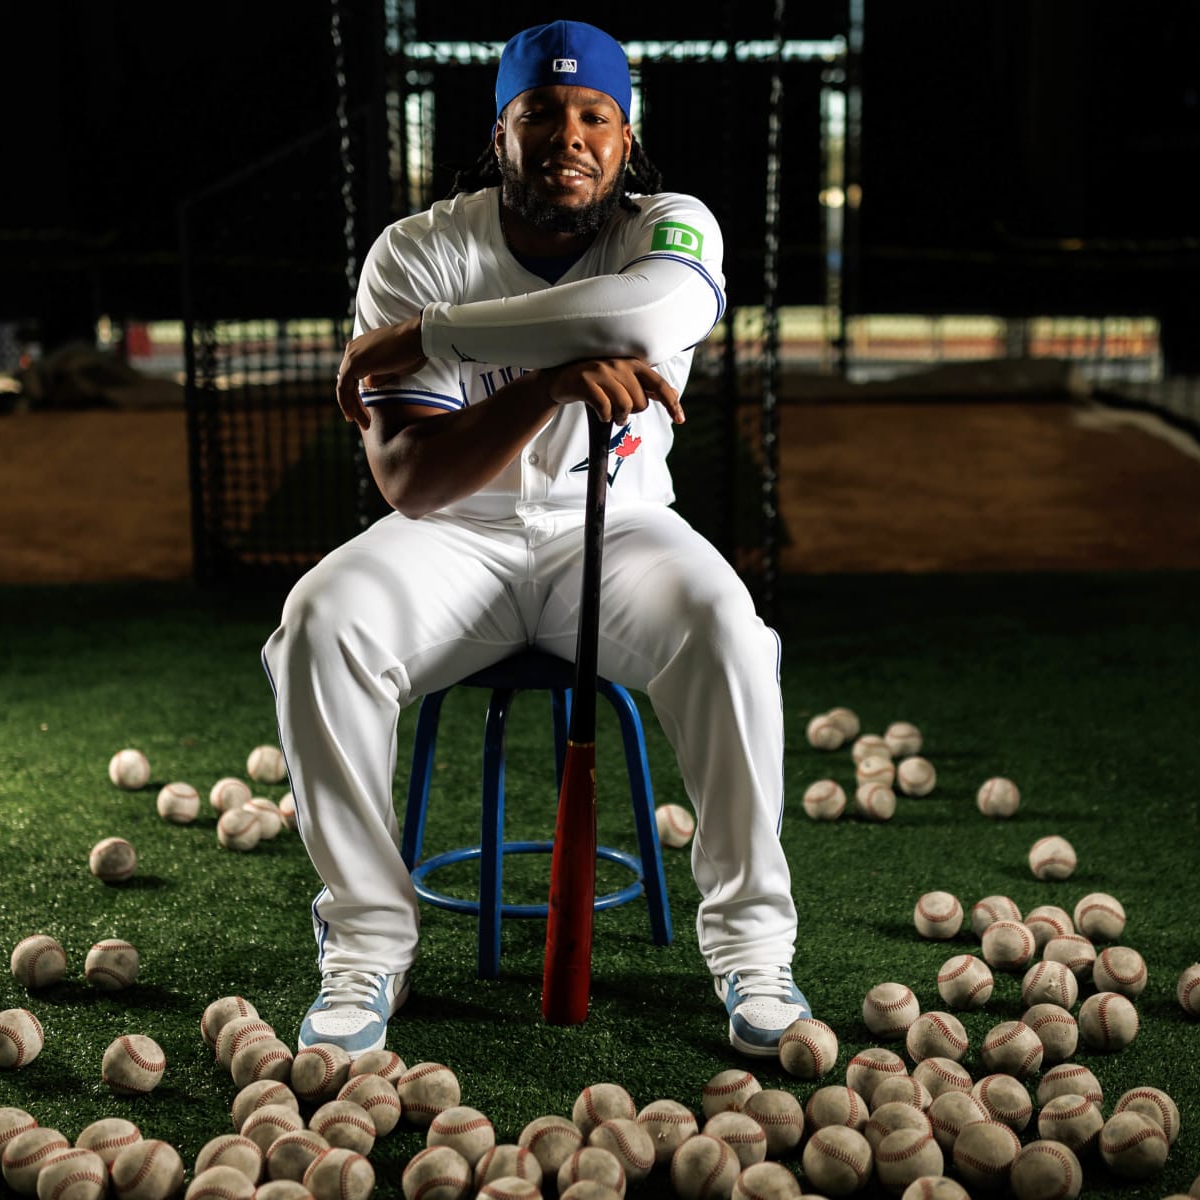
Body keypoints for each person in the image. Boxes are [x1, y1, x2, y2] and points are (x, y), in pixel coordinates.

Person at [263, 19, 809, 1058]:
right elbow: (411, 478)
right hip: (453, 539)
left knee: (731, 629)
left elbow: (646, 321)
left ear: (626, 133)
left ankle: (753, 952)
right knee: (318, 620)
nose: (571, 136)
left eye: (595, 117)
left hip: (620, 529)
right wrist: (553, 383)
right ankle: (369, 947)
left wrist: (434, 338)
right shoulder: (418, 252)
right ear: (499, 132)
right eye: (542, 115)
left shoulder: (670, 226)